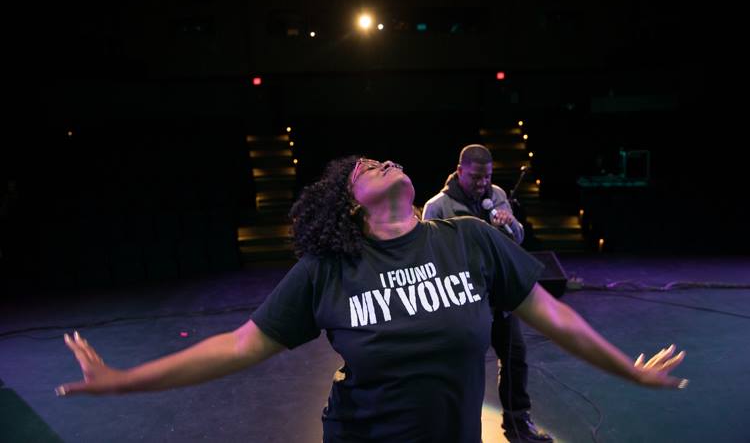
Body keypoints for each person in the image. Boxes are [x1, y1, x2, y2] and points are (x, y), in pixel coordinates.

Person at [56, 156, 687, 443]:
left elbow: (554, 316)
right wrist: (123, 381)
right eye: (364, 166)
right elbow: (239, 346)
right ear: (349, 204)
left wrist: (625, 369)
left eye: (383, 157)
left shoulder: (469, 240)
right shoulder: (328, 269)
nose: (383, 160)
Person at [422, 144, 547, 442]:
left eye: (487, 177)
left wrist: (510, 224)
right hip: (464, 304)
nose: (482, 184)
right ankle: (459, 427)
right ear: (459, 170)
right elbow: (427, 259)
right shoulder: (437, 207)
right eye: (476, 177)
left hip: (500, 296)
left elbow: (517, 239)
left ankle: (518, 425)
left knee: (515, 357)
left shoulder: (499, 195)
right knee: (466, 368)